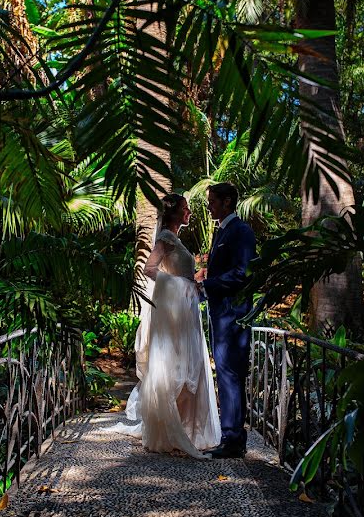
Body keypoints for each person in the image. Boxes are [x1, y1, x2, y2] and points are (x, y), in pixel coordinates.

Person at [104, 193, 221, 458]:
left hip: (184, 313)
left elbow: (179, 273)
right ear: (175, 213)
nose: (189, 211)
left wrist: (195, 278)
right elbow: (150, 269)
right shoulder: (166, 238)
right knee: (173, 369)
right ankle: (167, 430)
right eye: (185, 208)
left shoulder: (176, 239)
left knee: (187, 367)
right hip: (173, 316)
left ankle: (186, 427)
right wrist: (182, 284)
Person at [196, 182, 256, 459]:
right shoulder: (223, 230)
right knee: (226, 375)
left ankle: (233, 440)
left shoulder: (240, 231)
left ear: (227, 202)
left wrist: (207, 285)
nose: (209, 206)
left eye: (212, 201)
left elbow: (242, 273)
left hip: (233, 316)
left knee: (231, 376)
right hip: (222, 315)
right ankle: (230, 437)